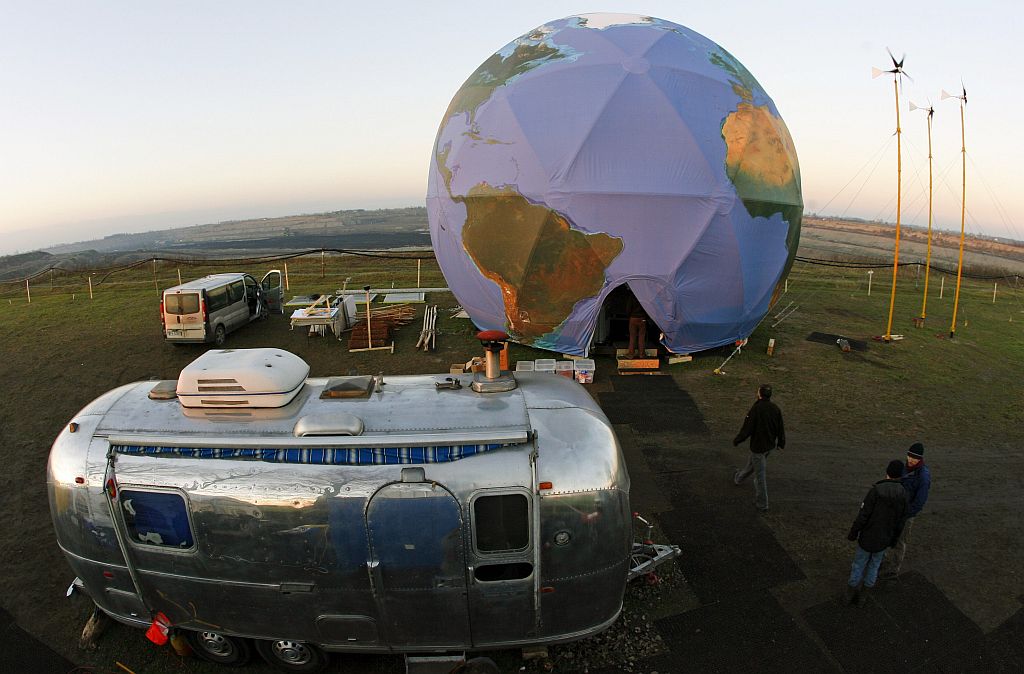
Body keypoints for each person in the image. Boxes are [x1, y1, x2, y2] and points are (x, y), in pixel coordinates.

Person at [846, 459, 909, 606]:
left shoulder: (876, 491)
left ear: (887, 472)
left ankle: (849, 594)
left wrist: (854, 532)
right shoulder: (904, 495)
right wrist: (893, 540)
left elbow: (863, 515)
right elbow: (901, 522)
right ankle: (863, 596)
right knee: (874, 566)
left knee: (859, 564)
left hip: (868, 536)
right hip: (884, 539)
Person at [732, 384, 785, 512]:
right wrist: (781, 443)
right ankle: (738, 478)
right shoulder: (775, 409)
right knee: (752, 464)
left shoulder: (756, 409)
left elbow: (747, 428)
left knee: (760, 477)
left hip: (758, 447)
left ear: (760, 394)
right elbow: (780, 428)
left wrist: (738, 440)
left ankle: (763, 504)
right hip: (769, 446)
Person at [881, 442, 931, 578]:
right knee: (887, 533)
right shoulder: (904, 468)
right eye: (909, 456)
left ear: (920, 459)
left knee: (900, 541)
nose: (911, 460)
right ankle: (881, 560)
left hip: (906, 515)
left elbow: (920, 501)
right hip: (895, 509)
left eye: (915, 458)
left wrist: (907, 513)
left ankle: (893, 569)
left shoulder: (923, 476)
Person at [625, 293, 648, 359]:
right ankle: (642, 354)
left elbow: (628, 308)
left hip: (633, 318)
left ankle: (631, 354)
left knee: (632, 337)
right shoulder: (645, 296)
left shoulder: (632, 295)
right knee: (642, 337)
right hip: (642, 318)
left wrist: (629, 316)